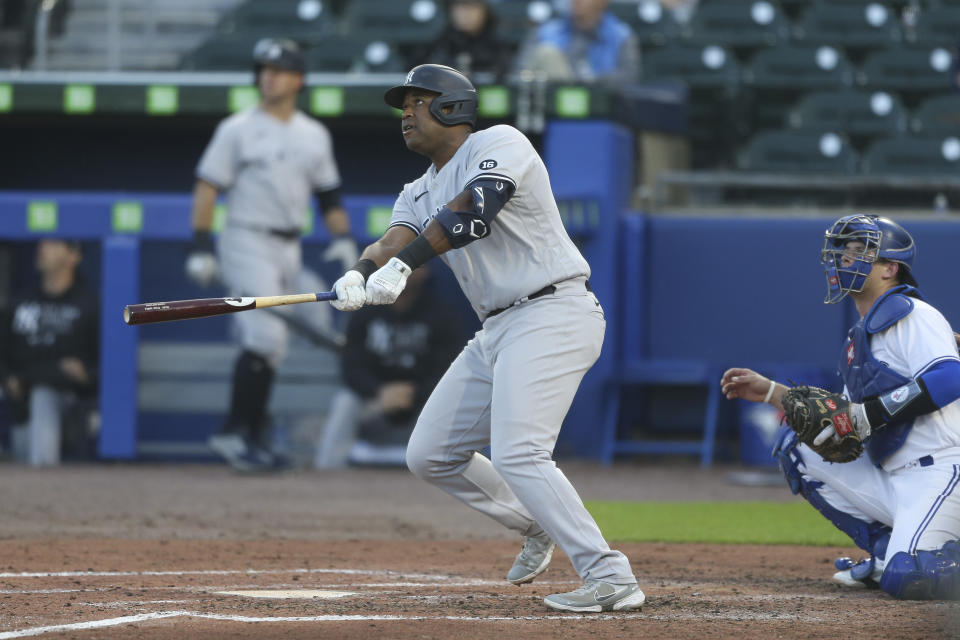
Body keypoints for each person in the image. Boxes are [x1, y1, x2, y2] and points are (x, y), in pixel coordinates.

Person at [329, 64, 644, 612]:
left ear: (452, 106)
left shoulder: (500, 143)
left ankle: (609, 575)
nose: (405, 113)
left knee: (521, 451)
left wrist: (402, 267)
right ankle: (534, 524)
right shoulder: (417, 190)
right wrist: (359, 270)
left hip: (553, 311)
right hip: (497, 327)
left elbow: (474, 213)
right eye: (402, 105)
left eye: (417, 101)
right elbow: (392, 239)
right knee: (430, 454)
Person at [721, 215, 960, 600]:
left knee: (910, 577)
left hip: (942, 471)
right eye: (843, 251)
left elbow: (949, 379)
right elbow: (839, 418)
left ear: (889, 268)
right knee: (797, 445)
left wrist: (869, 415)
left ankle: (913, 554)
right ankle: (885, 551)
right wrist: (770, 392)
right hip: (894, 476)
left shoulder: (912, 314)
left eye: (859, 251)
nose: (844, 259)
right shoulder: (858, 339)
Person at [186, 37, 358, 472]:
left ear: (298, 79)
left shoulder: (314, 134)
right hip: (246, 239)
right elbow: (207, 188)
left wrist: (344, 240)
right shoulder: (237, 128)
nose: (269, 76)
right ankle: (233, 433)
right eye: (263, 68)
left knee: (278, 345)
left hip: (289, 245)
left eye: (279, 70)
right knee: (264, 338)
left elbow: (329, 196)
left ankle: (251, 435)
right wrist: (202, 246)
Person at [314, 266, 465, 468]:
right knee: (346, 402)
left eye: (414, 267)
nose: (405, 273)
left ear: (425, 272)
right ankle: (327, 472)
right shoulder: (365, 310)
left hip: (425, 400)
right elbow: (351, 365)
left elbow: (449, 367)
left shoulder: (441, 313)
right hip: (375, 398)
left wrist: (416, 393)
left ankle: (454, 471)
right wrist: (379, 391)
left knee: (457, 405)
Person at [0, 239, 99, 466]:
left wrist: (86, 375)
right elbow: (3, 353)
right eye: (42, 242)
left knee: (43, 395)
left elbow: (104, 366)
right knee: (35, 398)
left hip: (70, 405)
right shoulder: (21, 303)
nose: (43, 248)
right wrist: (8, 378)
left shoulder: (89, 305)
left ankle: (44, 477)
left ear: (74, 256)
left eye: (54, 243)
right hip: (20, 400)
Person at [513, 0, 640, 85]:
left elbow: (629, 77)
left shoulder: (621, 35)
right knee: (547, 53)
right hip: (553, 104)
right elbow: (518, 74)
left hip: (602, 106)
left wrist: (590, 81)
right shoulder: (545, 32)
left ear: (603, 2)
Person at [413, 0, 511, 79]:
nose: (465, 13)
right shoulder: (439, 45)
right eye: (459, 6)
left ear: (485, 10)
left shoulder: (497, 46)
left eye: (471, 6)